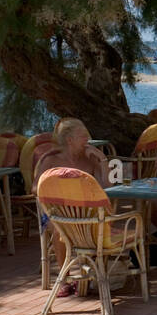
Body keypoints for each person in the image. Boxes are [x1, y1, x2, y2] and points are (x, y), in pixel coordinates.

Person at [36, 118, 112, 298]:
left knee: (99, 224)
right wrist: (61, 191)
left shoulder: (90, 160)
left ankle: (89, 276)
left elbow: (107, 187)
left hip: (85, 212)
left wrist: (102, 160)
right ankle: (64, 279)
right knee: (58, 229)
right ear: (70, 140)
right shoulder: (51, 159)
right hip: (57, 213)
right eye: (83, 136)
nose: (88, 140)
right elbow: (35, 187)